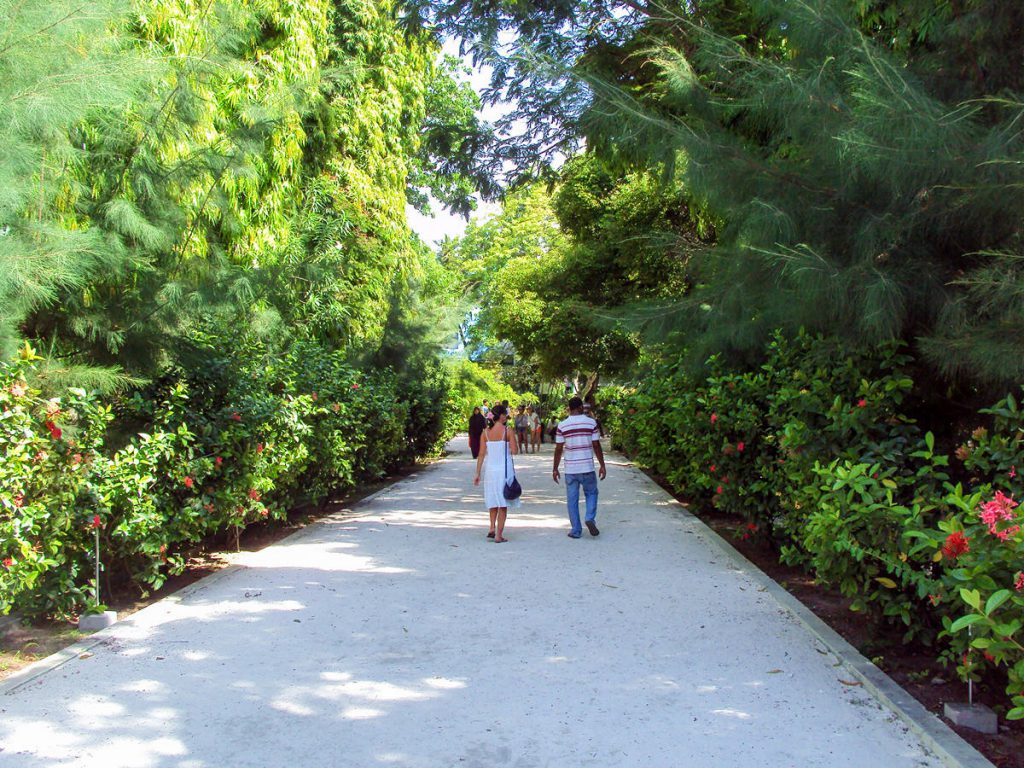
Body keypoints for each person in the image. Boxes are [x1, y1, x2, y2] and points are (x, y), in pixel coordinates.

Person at [552, 396, 606, 538]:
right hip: (587, 467)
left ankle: (576, 530)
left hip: (571, 469)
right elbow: (596, 445)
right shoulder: (591, 423)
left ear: (569, 408)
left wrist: (555, 468)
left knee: (572, 500)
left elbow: (558, 448)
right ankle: (589, 517)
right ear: (581, 407)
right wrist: (602, 465)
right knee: (592, 493)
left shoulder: (562, 425)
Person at [473, 404, 520, 543]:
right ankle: (499, 535)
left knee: (493, 500)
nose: (506, 416)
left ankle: (492, 528)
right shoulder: (508, 431)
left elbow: (481, 454)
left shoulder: (485, 433)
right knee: (503, 502)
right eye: (505, 414)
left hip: (491, 471)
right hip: (505, 471)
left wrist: (477, 473)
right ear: (500, 416)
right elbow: (515, 450)